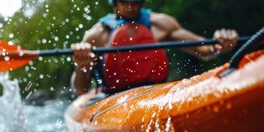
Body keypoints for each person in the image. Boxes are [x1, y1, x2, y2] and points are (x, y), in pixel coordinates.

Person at [70, 0, 239, 96]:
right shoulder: (97, 35)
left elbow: (205, 50)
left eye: (135, 0)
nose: (131, 5)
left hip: (154, 93)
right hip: (110, 96)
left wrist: (219, 45)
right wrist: (82, 65)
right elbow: (80, 89)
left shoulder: (162, 24)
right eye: (124, 0)